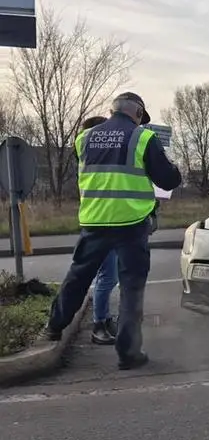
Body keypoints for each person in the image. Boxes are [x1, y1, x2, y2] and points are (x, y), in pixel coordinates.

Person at [40, 92, 181, 369]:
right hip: (130, 224)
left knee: (77, 278)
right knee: (131, 288)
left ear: (112, 110)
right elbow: (168, 178)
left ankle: (53, 327)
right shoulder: (143, 138)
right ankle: (128, 354)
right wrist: (172, 168)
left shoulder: (84, 138)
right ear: (138, 113)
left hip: (94, 222)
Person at [79, 115, 120, 346]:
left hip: (104, 223)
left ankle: (103, 320)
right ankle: (99, 325)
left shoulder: (91, 159)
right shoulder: (93, 161)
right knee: (107, 277)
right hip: (101, 225)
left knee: (107, 276)